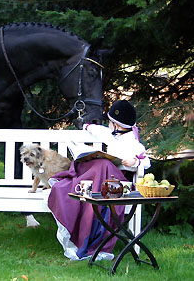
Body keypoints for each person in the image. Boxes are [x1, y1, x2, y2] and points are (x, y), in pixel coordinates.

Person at [47, 100, 151, 261]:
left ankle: (90, 230)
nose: (108, 125)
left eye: (110, 122)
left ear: (116, 125)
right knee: (100, 163)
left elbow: (146, 161)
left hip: (118, 184)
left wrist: (134, 162)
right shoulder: (110, 134)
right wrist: (86, 126)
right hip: (102, 179)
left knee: (103, 165)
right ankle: (83, 185)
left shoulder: (134, 144)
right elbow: (98, 130)